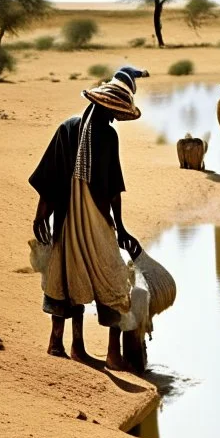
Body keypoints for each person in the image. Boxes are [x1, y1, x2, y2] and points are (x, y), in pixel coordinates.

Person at [30, 67, 147, 369]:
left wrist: (40, 216)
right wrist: (119, 227)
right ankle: (110, 353)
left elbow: (50, 181)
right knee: (113, 278)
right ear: (107, 108)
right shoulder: (107, 136)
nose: (112, 119)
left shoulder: (67, 128)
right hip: (94, 222)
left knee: (67, 277)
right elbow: (114, 189)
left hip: (65, 221)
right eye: (113, 114)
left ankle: (65, 344)